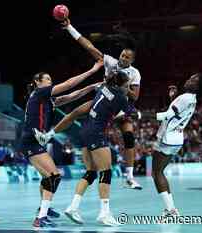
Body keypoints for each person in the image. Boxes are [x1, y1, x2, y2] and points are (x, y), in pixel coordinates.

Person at [34, 70, 130, 226]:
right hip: (97, 133)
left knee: (91, 172)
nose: (128, 88)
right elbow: (129, 114)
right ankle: (104, 213)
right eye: (127, 85)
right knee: (106, 172)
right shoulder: (120, 97)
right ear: (121, 85)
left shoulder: (102, 88)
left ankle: (73, 207)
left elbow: (79, 111)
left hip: (84, 131)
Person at [61, 17, 142, 189]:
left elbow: (134, 96)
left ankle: (130, 176)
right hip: (103, 101)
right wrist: (70, 27)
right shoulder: (110, 62)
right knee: (75, 112)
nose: (124, 58)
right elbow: (89, 46)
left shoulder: (135, 73)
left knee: (129, 136)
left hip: (120, 106)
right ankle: (48, 135)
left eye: (127, 57)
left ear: (132, 60)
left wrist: (122, 84)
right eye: (122, 55)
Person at [21, 61, 103, 228]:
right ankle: (41, 217)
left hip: (36, 141)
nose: (50, 82)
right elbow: (68, 85)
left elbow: (73, 95)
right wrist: (92, 70)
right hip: (31, 139)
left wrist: (93, 86)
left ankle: (43, 208)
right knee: (54, 176)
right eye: (48, 79)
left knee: (48, 177)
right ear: (38, 82)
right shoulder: (39, 93)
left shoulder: (47, 100)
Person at [152, 73, 202, 219]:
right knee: (159, 173)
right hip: (176, 139)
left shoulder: (185, 97)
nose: (189, 80)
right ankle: (170, 209)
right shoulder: (191, 99)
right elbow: (177, 112)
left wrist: (138, 115)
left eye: (194, 80)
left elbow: (168, 115)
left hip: (167, 138)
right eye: (190, 77)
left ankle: (171, 210)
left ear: (198, 87)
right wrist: (173, 98)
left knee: (157, 174)